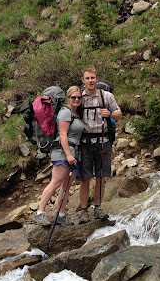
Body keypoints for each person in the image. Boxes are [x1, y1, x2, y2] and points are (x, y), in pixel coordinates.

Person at [33, 86, 85, 226]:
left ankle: (61, 215)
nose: (76, 99)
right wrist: (68, 154)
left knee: (66, 185)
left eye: (79, 97)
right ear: (68, 98)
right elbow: (62, 134)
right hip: (63, 152)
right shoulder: (65, 112)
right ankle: (39, 213)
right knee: (55, 182)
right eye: (73, 97)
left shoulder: (75, 113)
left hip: (73, 152)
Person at [78, 66, 122, 222]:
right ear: (83, 80)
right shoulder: (79, 97)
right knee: (85, 178)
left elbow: (119, 114)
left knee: (101, 177)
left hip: (103, 141)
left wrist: (110, 114)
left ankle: (98, 208)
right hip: (85, 143)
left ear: (97, 79)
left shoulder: (106, 96)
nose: (90, 81)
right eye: (87, 78)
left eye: (93, 78)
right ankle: (84, 211)